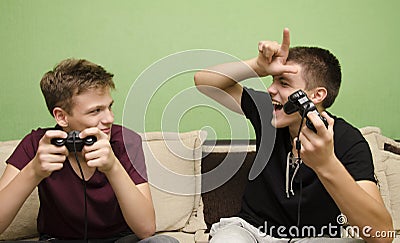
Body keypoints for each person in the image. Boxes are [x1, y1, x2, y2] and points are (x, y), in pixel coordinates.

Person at [194, 28, 394, 242]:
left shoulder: (349, 140)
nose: (270, 89)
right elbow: (204, 81)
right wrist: (257, 66)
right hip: (251, 231)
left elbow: (382, 235)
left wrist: (327, 164)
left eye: (284, 83)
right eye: (272, 80)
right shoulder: (267, 113)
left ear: (317, 95)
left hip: (314, 237)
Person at [0, 59, 178, 243]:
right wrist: (33, 171)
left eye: (109, 106)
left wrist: (112, 167)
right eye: (96, 111)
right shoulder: (37, 144)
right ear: (61, 116)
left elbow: (146, 229)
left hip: (120, 239)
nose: (109, 118)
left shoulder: (126, 141)